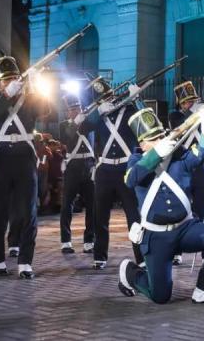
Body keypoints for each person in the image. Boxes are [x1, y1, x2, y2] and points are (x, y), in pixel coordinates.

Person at [117, 105, 204, 306]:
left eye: (161, 136)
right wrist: (156, 154)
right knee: (160, 296)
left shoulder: (179, 155)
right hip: (156, 236)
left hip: (185, 228)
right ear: (143, 145)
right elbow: (131, 179)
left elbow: (202, 153)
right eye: (154, 139)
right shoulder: (137, 159)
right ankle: (130, 273)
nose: (161, 141)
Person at [0, 56, 49, 279]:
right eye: (6, 80)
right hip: (0, 158)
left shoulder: (29, 98)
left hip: (24, 156)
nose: (12, 82)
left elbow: (47, 111)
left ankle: (25, 262)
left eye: (15, 78)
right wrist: (6, 96)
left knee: (28, 211)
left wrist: (36, 85)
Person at [78, 76, 143, 270]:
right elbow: (82, 128)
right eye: (101, 99)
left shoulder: (130, 109)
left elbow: (146, 124)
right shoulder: (97, 115)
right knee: (100, 216)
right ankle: (100, 257)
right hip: (104, 169)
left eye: (108, 96)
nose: (106, 100)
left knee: (134, 216)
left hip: (126, 168)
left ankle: (141, 257)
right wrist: (98, 111)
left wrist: (136, 100)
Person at [167, 81, 204, 223]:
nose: (192, 104)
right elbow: (182, 123)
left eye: (193, 101)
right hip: (181, 164)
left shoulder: (203, 115)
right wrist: (197, 110)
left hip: (200, 164)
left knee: (203, 200)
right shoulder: (174, 116)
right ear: (181, 104)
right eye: (188, 102)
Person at [57, 93, 95, 254]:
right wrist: (75, 122)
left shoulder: (89, 123)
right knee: (67, 205)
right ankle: (66, 241)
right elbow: (66, 138)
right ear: (68, 112)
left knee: (92, 206)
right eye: (72, 109)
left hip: (89, 165)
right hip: (72, 166)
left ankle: (89, 240)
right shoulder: (64, 125)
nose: (76, 111)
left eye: (77, 108)